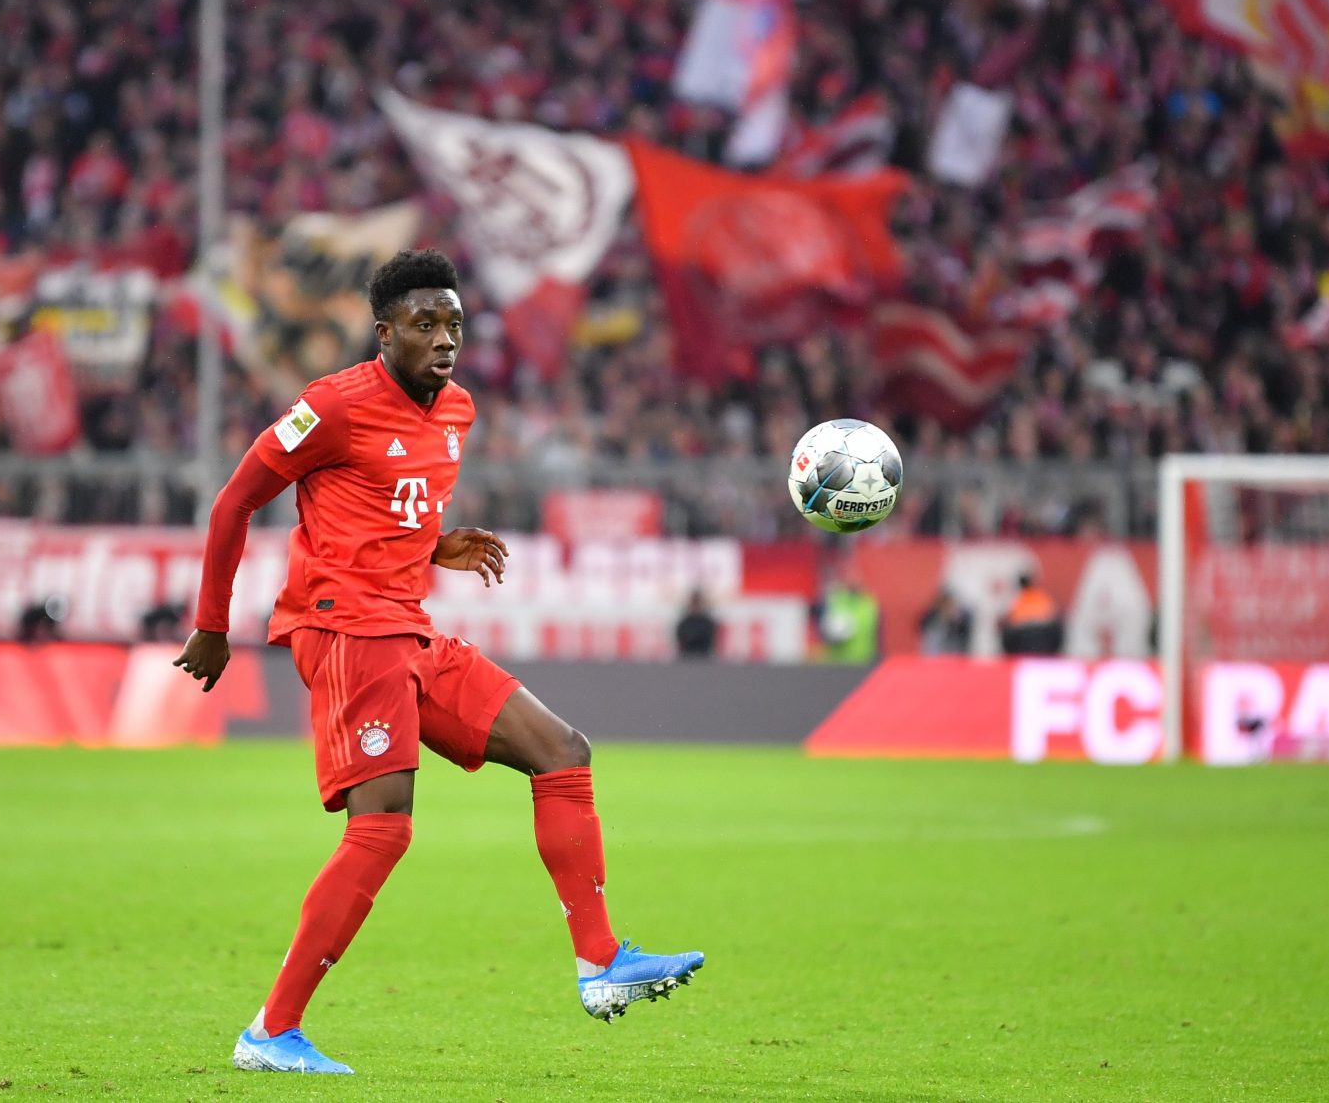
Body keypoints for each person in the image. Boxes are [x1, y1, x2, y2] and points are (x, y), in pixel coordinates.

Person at [174, 250, 703, 1076]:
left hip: (409, 629)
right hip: (347, 631)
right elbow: (234, 500)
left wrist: (438, 545)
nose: (445, 338)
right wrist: (211, 624)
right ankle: (271, 1031)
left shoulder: (456, 409)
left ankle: (600, 963)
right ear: (384, 333)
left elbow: (387, 509)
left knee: (563, 751)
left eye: (454, 322)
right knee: (382, 829)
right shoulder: (332, 405)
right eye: (425, 323)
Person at [815, 561, 880, 664]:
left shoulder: (869, 603)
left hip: (862, 660)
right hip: (836, 661)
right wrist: (832, 636)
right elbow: (821, 627)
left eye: (856, 576)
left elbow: (877, 633)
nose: (852, 579)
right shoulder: (835, 599)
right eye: (849, 575)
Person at [999, 569, 1065, 656]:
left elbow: (1007, 622)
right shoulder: (1042, 597)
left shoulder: (1016, 599)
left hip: (1025, 640)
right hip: (1041, 640)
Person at [917, 587, 973, 655]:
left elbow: (965, 637)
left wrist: (956, 622)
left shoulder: (961, 620)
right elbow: (921, 626)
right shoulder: (932, 616)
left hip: (952, 656)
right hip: (933, 655)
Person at [674, 588, 719, 660]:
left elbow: (710, 641)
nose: (696, 606)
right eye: (694, 603)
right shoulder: (684, 623)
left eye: (698, 603)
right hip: (686, 658)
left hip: (704, 658)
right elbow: (681, 641)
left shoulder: (708, 623)